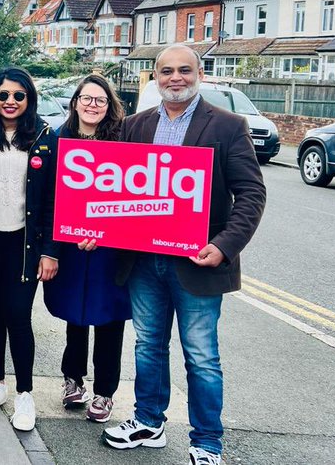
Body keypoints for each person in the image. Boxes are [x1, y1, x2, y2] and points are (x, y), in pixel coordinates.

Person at [102, 44, 266, 465]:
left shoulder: (227, 126)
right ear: (155, 77)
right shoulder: (135, 125)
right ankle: (148, 419)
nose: (176, 78)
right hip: (144, 261)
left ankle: (207, 441)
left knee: (201, 356)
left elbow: (251, 192)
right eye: (167, 71)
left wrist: (224, 245)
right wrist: (94, 228)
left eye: (184, 70)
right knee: (148, 345)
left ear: (200, 74)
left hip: (197, 263)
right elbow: (115, 189)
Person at [0, 67, 58, 432]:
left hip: (25, 242)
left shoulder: (44, 135)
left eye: (18, 96)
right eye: (3, 95)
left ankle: (24, 392)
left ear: (29, 99)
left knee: (18, 315)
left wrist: (51, 250)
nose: (10, 102)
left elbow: (55, 198)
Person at [42, 74, 131, 423]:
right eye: (87, 98)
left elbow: (129, 197)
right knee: (75, 315)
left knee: (109, 318)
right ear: (75, 101)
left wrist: (104, 230)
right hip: (70, 244)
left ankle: (105, 392)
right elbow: (48, 197)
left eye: (100, 100)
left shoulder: (123, 142)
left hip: (110, 248)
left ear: (109, 106)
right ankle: (72, 379)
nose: (92, 105)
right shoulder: (56, 140)